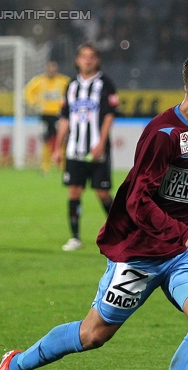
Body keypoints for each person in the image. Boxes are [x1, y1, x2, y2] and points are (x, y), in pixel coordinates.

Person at [0, 45, 188, 370]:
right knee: (93, 334)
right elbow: (138, 201)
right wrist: (184, 230)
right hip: (142, 249)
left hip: (187, 252)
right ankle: (14, 367)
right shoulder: (163, 133)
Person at [53, 43, 118, 251]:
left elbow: (109, 115)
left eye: (91, 57)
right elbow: (65, 119)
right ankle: (75, 237)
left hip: (97, 149)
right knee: (74, 191)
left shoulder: (105, 83)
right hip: (74, 149)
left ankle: (120, 232)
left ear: (97, 60)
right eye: (84, 56)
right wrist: (57, 148)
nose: (87, 60)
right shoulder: (71, 85)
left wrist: (101, 143)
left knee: (102, 192)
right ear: (77, 60)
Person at [24, 61, 71, 175]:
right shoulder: (39, 81)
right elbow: (27, 92)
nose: (52, 71)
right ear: (46, 69)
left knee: (63, 140)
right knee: (47, 140)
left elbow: (73, 91)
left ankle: (63, 166)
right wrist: (34, 102)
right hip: (45, 114)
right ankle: (45, 167)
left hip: (60, 115)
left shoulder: (63, 81)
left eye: (54, 68)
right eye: (50, 68)